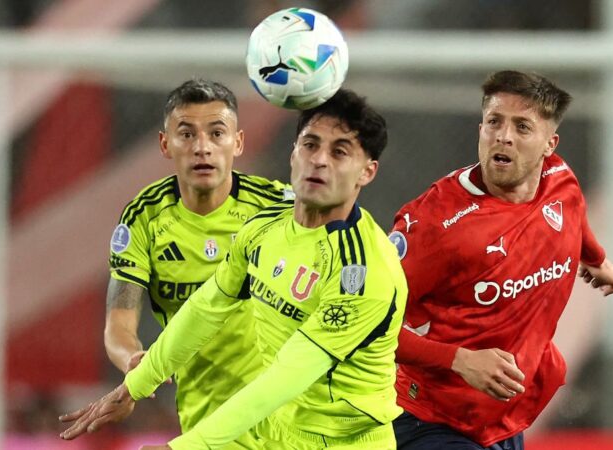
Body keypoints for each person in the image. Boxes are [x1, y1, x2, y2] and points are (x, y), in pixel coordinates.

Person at [60, 88, 408, 450]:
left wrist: (181, 448)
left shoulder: (363, 270)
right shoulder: (263, 228)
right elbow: (206, 308)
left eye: (339, 152)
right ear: (293, 152)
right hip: (273, 431)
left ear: (366, 172)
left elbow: (286, 378)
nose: (319, 160)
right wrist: (135, 384)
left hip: (342, 444)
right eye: (309, 144)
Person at [389, 70, 613, 450]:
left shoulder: (560, 179)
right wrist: (459, 359)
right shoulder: (434, 224)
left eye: (522, 127)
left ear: (550, 144)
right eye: (495, 122)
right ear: (481, 129)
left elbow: (573, 216)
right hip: (429, 419)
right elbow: (364, 325)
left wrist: (595, 259)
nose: (504, 136)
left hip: (503, 421)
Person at [103, 79, 290, 447]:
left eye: (217, 133)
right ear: (165, 144)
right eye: (186, 134)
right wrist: (132, 360)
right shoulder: (144, 218)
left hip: (290, 412)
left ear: (237, 142)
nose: (202, 147)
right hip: (206, 420)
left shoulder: (278, 209)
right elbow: (118, 323)